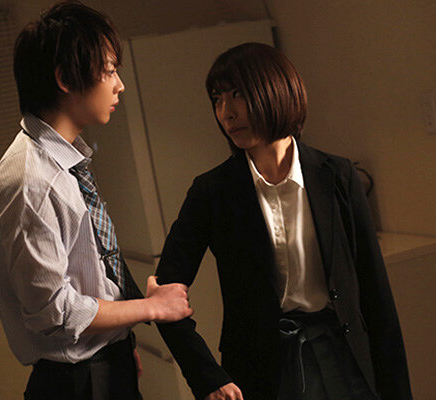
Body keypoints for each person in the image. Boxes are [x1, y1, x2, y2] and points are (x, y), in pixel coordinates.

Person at [155, 43, 412, 400]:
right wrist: (207, 377)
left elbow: (375, 293)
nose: (226, 112)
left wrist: (397, 389)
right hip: (264, 372)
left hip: (348, 358)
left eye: (238, 94)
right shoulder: (212, 192)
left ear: (277, 92)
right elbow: (163, 291)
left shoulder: (338, 176)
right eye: (217, 99)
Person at [0, 2, 193, 399]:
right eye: (109, 70)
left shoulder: (65, 160)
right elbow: (53, 312)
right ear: (65, 78)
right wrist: (151, 308)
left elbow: (89, 271)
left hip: (102, 365)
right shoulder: (32, 180)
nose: (119, 85)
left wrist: (119, 342)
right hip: (76, 383)